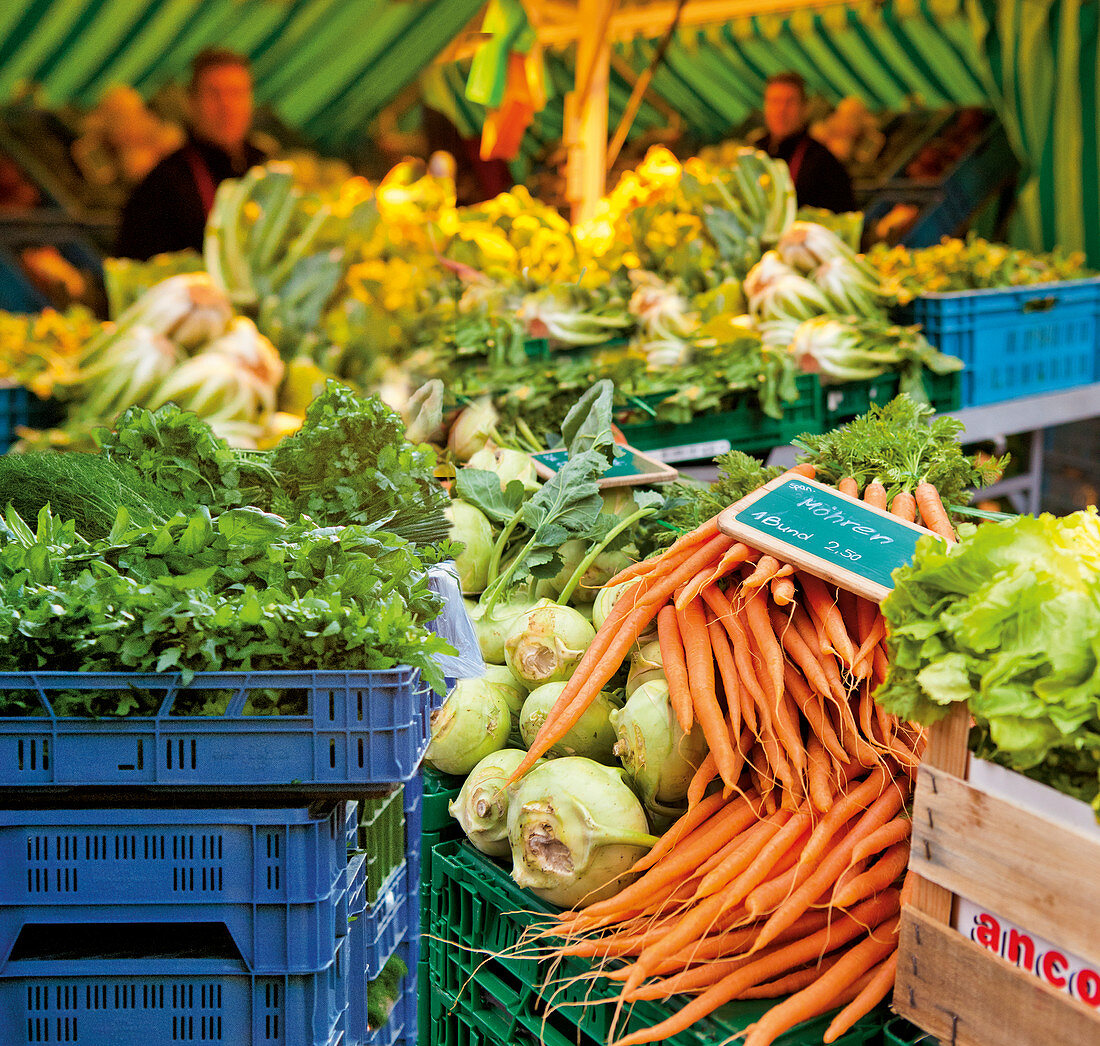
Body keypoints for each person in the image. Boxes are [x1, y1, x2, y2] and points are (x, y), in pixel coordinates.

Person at [115, 47, 268, 260]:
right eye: (214, 94)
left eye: (236, 93)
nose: (227, 106)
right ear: (192, 103)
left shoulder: (264, 168)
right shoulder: (163, 184)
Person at [749, 71, 856, 214]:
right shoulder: (756, 152)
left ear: (804, 108)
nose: (781, 110)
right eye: (774, 102)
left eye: (789, 102)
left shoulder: (823, 163)